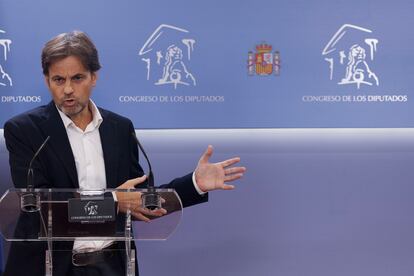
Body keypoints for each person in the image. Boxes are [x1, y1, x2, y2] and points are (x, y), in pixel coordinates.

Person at [3, 31, 246, 276]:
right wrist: (114, 202)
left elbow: (139, 200)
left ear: (93, 77)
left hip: (112, 265)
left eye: (77, 78)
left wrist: (194, 184)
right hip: (50, 267)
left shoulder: (119, 128)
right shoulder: (25, 131)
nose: (68, 89)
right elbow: (42, 208)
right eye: (58, 80)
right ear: (47, 81)